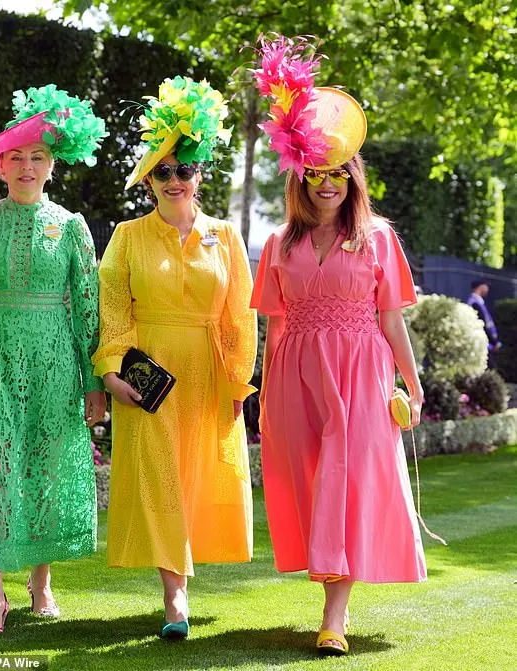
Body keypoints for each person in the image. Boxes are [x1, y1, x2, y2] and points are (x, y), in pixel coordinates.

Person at [249, 36, 426, 656]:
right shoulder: (277, 244)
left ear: (353, 177)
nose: (327, 183)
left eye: (338, 173)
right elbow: (272, 325)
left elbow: (392, 318)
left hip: (361, 368)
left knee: (347, 482)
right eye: (316, 173)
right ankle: (327, 587)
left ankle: (335, 617)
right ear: (301, 178)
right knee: (309, 480)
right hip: (296, 371)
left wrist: (413, 379)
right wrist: (268, 394)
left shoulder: (378, 238)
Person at [0, 85, 108, 634]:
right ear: (0, 167)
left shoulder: (73, 226)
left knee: (44, 468)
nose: (27, 166)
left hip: (54, 362)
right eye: (17, 158)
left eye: (37, 158)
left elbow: (87, 309)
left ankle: (42, 582)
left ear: (52, 166)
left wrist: (95, 380)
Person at [93, 76, 257, 639]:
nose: (173, 180)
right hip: (150, 374)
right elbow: (113, 307)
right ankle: (175, 596)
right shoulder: (126, 236)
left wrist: (239, 382)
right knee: (159, 478)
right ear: (149, 182)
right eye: (161, 172)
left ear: (199, 174)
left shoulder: (227, 238)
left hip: (210, 374)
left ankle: (185, 575)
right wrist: (110, 371)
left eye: (182, 170)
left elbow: (240, 314)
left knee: (196, 478)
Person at [467, 279, 502, 368]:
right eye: (486, 286)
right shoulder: (475, 303)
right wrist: (494, 342)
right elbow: (483, 324)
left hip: (486, 342)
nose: (487, 289)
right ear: (481, 286)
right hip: (484, 342)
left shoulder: (478, 302)